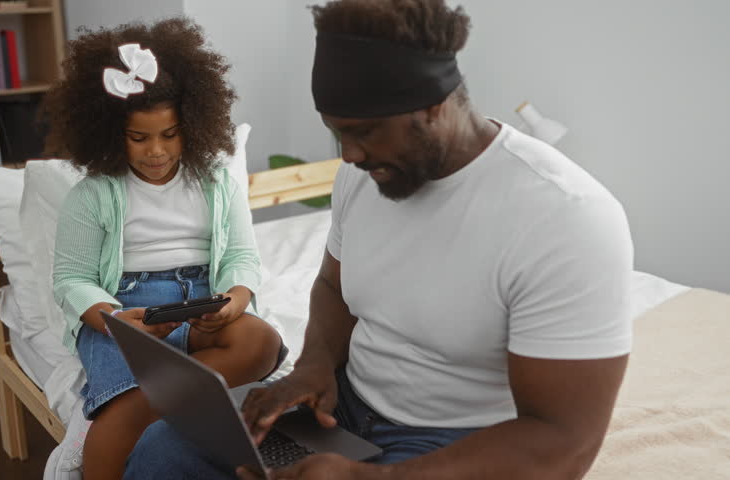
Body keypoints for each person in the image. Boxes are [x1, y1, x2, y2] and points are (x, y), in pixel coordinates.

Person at [126, 1, 634, 479]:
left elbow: (564, 442)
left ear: (435, 106)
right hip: (342, 406)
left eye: (364, 132)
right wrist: (315, 365)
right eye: (336, 133)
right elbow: (331, 286)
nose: (349, 156)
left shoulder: (567, 219)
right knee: (162, 450)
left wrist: (375, 478)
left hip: (460, 441)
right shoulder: (363, 174)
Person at [45, 19, 285, 480]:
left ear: (192, 124)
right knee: (119, 416)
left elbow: (241, 256)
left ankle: (159, 400)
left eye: (170, 134)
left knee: (262, 340)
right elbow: (71, 279)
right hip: (123, 311)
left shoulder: (216, 182)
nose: (156, 151)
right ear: (112, 132)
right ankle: (135, 410)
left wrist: (234, 300)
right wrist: (113, 320)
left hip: (199, 300)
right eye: (139, 138)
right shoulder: (91, 195)